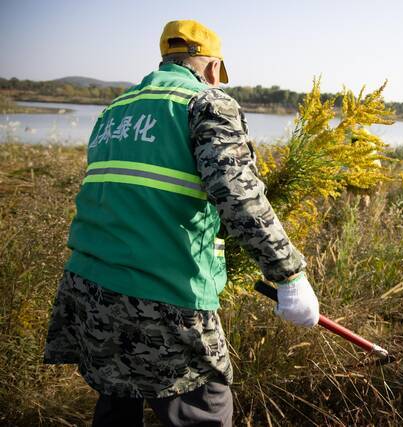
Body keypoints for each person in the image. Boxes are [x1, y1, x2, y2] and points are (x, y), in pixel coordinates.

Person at [43, 19, 320, 427]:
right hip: (164, 296)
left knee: (118, 402)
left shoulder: (116, 110)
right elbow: (239, 195)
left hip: (88, 290)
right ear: (212, 68)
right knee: (203, 411)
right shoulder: (204, 103)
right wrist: (290, 275)